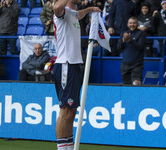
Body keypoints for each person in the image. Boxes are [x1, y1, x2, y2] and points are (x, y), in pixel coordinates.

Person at [53, 0, 101, 149]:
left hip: (74, 65)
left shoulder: (72, 14)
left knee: (72, 110)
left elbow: (79, 14)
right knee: (65, 110)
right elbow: (57, 7)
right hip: (65, 64)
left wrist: (90, 9)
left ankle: (68, 147)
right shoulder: (61, 13)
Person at [117, 17, 146, 85]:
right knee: (126, 86)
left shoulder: (142, 33)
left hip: (137, 64)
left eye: (134, 23)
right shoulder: (124, 34)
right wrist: (123, 41)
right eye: (130, 23)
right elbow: (118, 48)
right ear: (127, 24)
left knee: (136, 83)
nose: (132, 25)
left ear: (137, 24)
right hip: (125, 64)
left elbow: (140, 46)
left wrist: (130, 40)